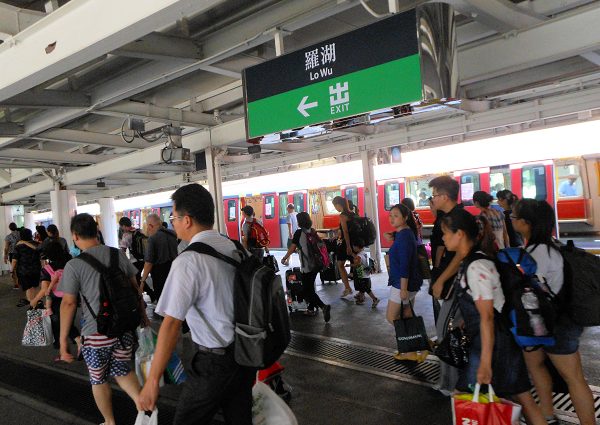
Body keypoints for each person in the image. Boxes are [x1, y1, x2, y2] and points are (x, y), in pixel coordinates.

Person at [138, 184, 255, 424]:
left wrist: (152, 382)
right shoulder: (236, 248)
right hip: (245, 355)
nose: (173, 223)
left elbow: (171, 325)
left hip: (213, 363)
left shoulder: (189, 261)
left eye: (174, 217)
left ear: (187, 220)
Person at [441, 208, 546, 425]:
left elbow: (487, 317)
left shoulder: (476, 266)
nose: (443, 237)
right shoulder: (474, 260)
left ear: (459, 234)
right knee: (523, 398)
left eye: (445, 233)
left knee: (463, 396)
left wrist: (486, 363)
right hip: (494, 342)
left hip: (494, 346)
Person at [511, 199, 596, 425]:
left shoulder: (535, 254)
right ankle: (546, 414)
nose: (511, 221)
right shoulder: (551, 245)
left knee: (573, 378)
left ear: (526, 223)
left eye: (514, 217)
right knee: (539, 366)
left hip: (555, 324)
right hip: (547, 321)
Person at [58, 213, 146, 425]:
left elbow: (69, 303)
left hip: (95, 333)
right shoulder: (117, 255)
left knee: (98, 379)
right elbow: (136, 290)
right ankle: (143, 405)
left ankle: (109, 422)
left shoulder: (74, 265)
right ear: (97, 231)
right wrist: (143, 317)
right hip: (123, 328)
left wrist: (63, 342)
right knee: (123, 371)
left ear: (75, 236)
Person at [428, 176, 464, 394]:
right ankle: (452, 382)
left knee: (445, 332)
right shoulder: (459, 215)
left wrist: (440, 279)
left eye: (433, 196)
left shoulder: (454, 219)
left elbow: (459, 255)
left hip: (456, 283)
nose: (432, 200)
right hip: (457, 282)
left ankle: (451, 384)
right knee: (450, 331)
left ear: (443, 196)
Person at [386, 203, 425, 361]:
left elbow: (405, 264)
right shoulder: (405, 234)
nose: (392, 218)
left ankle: (413, 348)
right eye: (391, 215)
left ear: (406, 217)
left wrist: (403, 288)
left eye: (396, 215)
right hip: (410, 282)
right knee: (407, 315)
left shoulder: (404, 236)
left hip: (403, 283)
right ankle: (418, 348)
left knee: (391, 317)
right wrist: (394, 237)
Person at [29, 241, 80, 362]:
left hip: (56, 301)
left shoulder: (48, 269)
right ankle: (69, 348)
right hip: (72, 296)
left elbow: (45, 289)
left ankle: (75, 343)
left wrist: (35, 300)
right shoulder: (70, 263)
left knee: (59, 325)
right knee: (68, 322)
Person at [281, 212, 331, 321]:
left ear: (300, 222)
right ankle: (311, 309)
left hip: (307, 266)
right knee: (309, 287)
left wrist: (285, 258)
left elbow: (292, 247)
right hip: (317, 264)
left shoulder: (299, 233)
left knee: (308, 290)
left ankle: (323, 307)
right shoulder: (312, 231)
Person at [140, 213, 178, 304]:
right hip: (175, 270)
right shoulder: (173, 234)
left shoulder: (153, 239)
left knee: (163, 302)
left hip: (160, 274)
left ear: (150, 225)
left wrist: (142, 281)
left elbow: (149, 262)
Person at [12, 228, 41, 305]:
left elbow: (15, 260)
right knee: (35, 286)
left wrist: (12, 270)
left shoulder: (18, 246)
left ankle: (32, 304)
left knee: (28, 288)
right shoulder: (36, 244)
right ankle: (37, 302)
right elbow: (42, 256)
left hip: (23, 270)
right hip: (36, 269)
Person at [352, 243, 379, 308]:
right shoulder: (364, 253)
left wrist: (349, 265)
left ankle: (375, 299)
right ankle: (360, 299)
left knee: (367, 289)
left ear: (358, 247)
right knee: (363, 289)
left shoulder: (359, 256)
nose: (353, 248)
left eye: (354, 246)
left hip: (362, 276)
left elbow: (357, 265)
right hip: (366, 275)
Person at [4, 222, 20, 289]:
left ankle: (16, 284)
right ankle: (22, 281)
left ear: (9, 228)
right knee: (21, 267)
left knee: (14, 269)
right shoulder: (21, 234)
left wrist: (5, 257)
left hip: (13, 254)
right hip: (22, 253)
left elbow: (6, 248)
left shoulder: (8, 237)